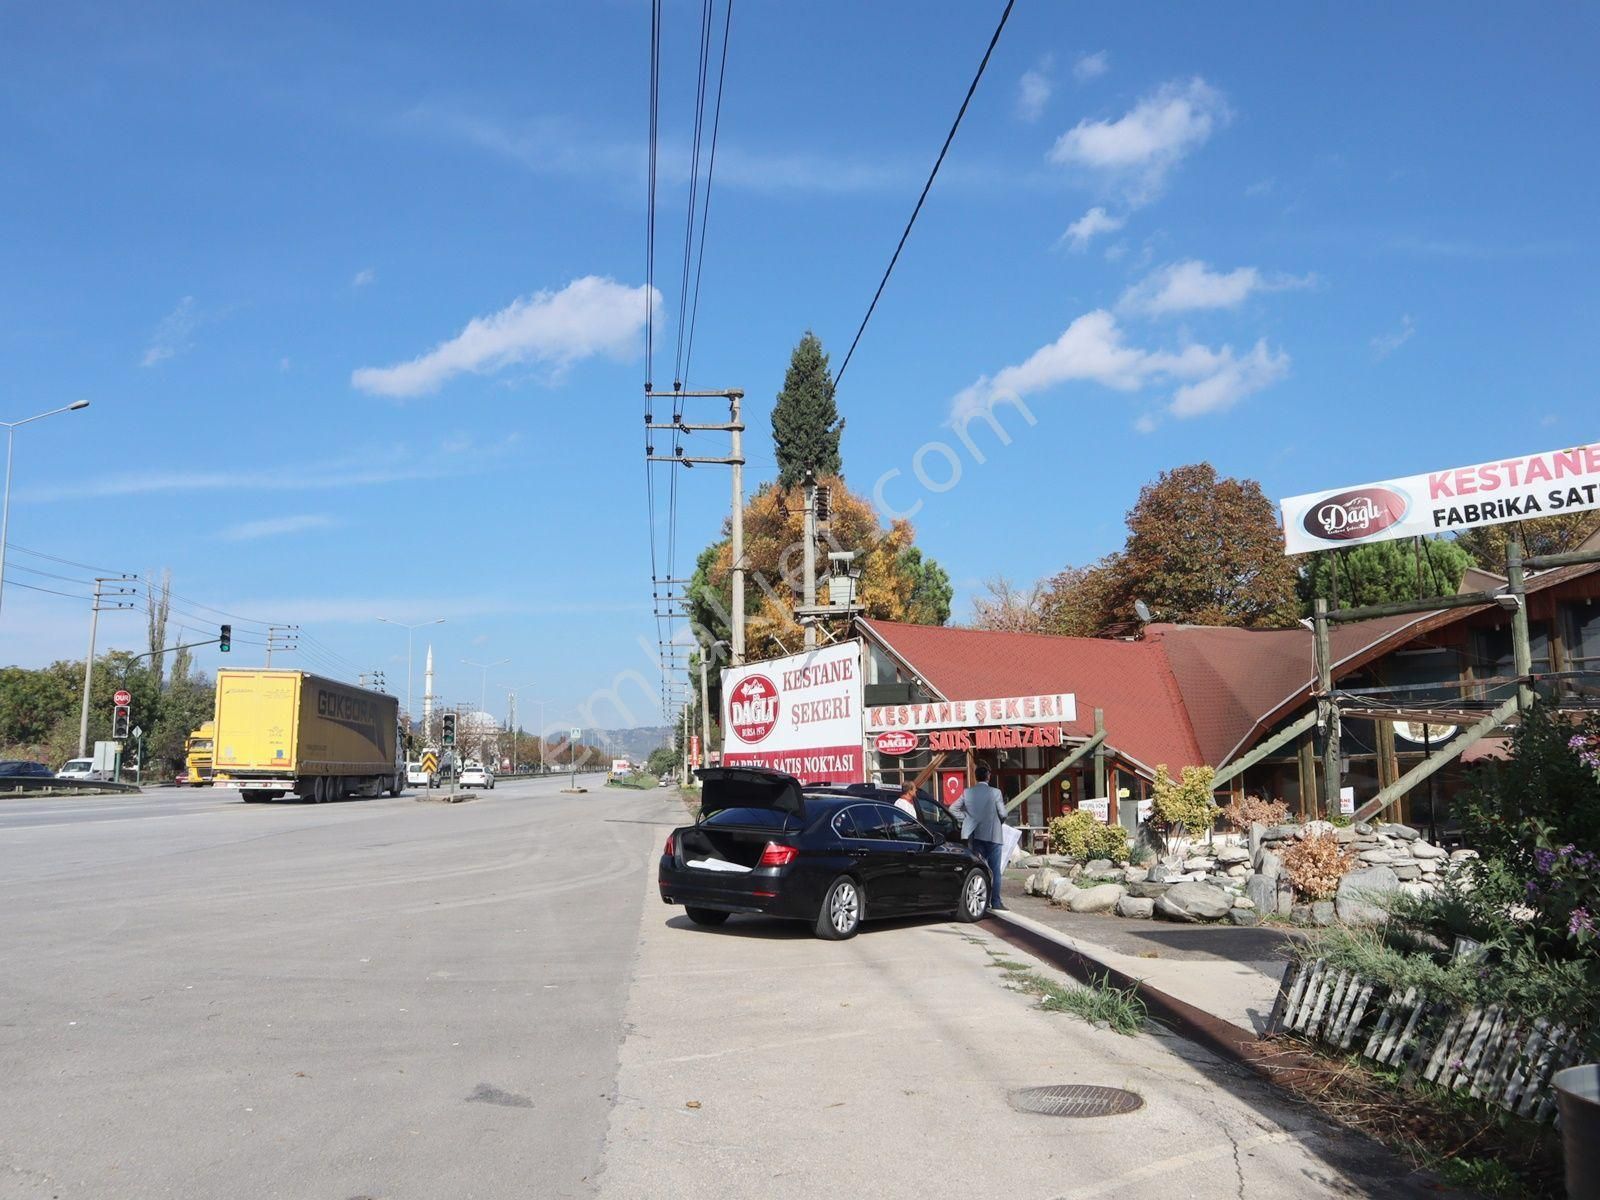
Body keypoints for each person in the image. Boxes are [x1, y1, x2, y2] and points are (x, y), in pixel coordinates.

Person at [951, 763, 1009, 911]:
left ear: (976, 777)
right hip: (994, 836)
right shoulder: (995, 792)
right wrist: (998, 822)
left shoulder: (967, 792)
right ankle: (995, 902)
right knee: (995, 871)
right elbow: (1003, 814)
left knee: (980, 869)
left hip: (976, 836)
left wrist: (965, 818)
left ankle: (981, 900)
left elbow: (952, 809)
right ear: (988, 776)